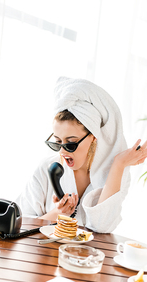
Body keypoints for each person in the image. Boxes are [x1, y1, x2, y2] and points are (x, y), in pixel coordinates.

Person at [15, 77, 147, 233]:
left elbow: (101, 226)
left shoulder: (115, 176)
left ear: (93, 137)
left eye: (70, 144)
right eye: (57, 142)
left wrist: (118, 164)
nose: (62, 151)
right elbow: (20, 226)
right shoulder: (46, 169)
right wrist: (58, 213)